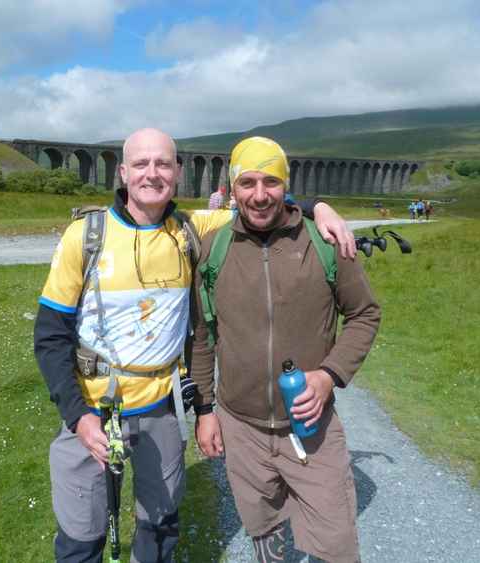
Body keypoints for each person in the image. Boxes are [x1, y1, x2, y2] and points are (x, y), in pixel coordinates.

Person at [34, 127, 358, 563]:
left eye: (163, 163)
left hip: (159, 409)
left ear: (179, 171)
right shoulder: (85, 236)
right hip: (93, 410)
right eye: (142, 164)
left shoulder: (192, 228)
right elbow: (50, 335)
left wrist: (319, 207)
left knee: (160, 525)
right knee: (81, 535)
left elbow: (261, 201)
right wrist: (77, 417)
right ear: (124, 172)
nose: (153, 173)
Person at [191, 136, 381, 563]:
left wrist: (329, 375)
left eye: (271, 182)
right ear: (232, 189)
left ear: (287, 186)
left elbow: (365, 314)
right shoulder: (213, 249)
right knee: (264, 528)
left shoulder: (327, 242)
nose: (260, 195)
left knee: (336, 544)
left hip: (310, 426)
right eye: (248, 183)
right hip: (239, 426)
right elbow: (202, 336)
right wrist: (204, 411)